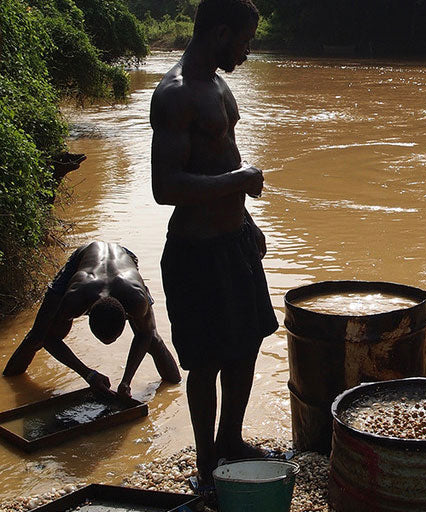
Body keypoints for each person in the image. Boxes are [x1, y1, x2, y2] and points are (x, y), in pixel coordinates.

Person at [149, 0, 279, 496]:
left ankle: (231, 440)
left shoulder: (218, 84)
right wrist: (239, 181)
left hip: (234, 240)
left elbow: (220, 155)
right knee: (205, 361)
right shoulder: (176, 95)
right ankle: (206, 466)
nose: (247, 51)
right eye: (244, 41)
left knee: (247, 342)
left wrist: (248, 222)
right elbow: (166, 187)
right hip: (197, 251)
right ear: (220, 32)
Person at [3, 242, 181, 397]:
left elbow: (145, 335)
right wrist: (88, 374)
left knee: (153, 339)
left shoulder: (136, 300)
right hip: (84, 258)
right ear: (86, 315)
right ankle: (8, 382)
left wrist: (126, 381)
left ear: (126, 316)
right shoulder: (75, 299)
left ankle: (173, 384)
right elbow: (49, 338)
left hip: (125, 259)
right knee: (37, 336)